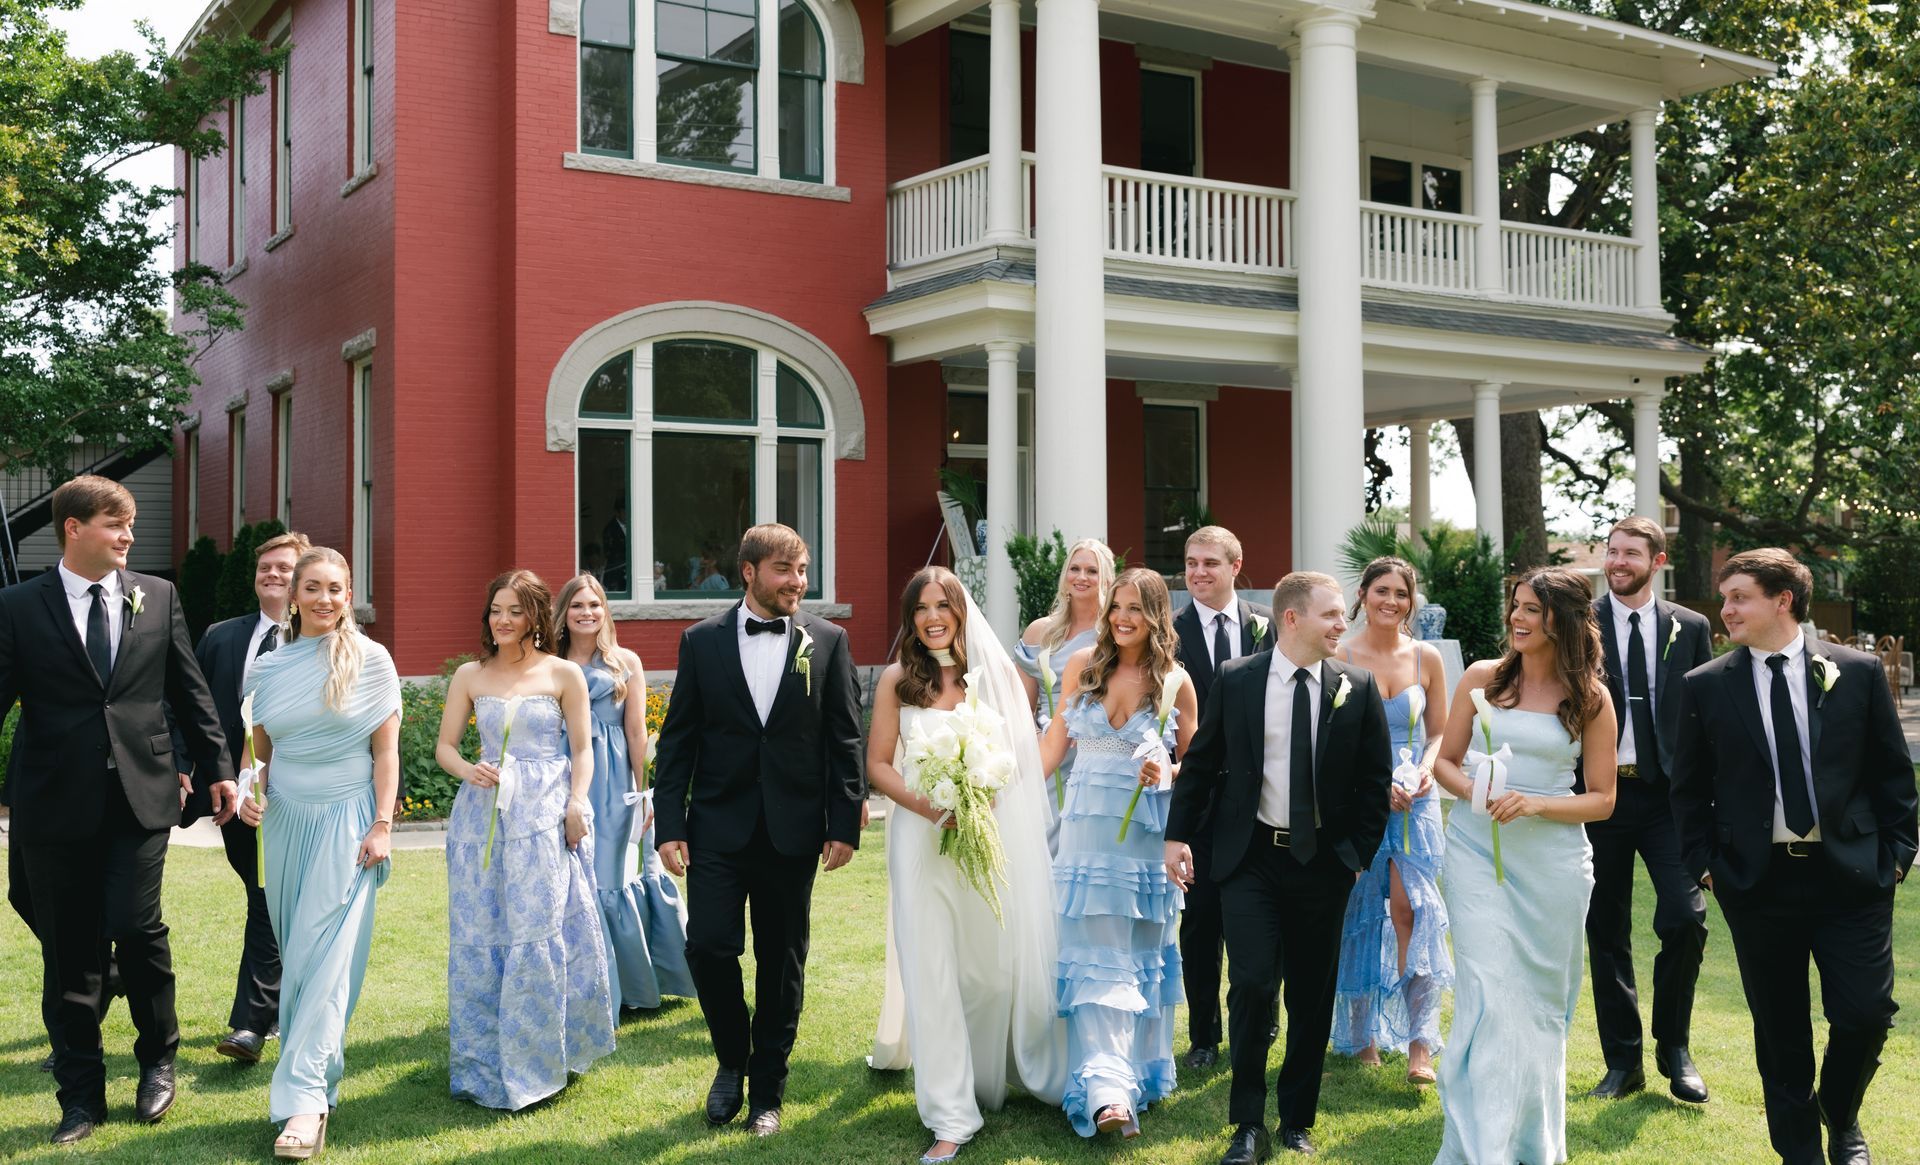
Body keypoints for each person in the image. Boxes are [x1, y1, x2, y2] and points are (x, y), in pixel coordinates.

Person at [0, 475, 234, 1145]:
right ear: (73, 528)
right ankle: (80, 1097)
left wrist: (217, 767)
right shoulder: (16, 606)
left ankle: (158, 1060)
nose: (129, 534)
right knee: (68, 951)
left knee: (135, 926)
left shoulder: (155, 594)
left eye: (130, 523)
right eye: (115, 523)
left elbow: (188, 687)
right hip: (52, 800)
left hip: (142, 792)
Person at [1671, 549, 1915, 1165]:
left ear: (1783, 600)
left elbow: (1893, 773)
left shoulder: (1855, 672)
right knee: (1780, 1031)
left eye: (1739, 597)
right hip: (1757, 883)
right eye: (1724, 598)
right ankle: (1800, 1151)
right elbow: (1688, 789)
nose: (1725, 610)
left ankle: (1840, 1112)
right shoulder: (1705, 685)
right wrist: (1707, 865)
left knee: (1865, 1013)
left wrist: (1897, 856)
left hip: (1854, 876)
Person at [1166, 571, 1391, 1163]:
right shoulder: (1236, 680)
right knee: (1252, 984)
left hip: (1323, 865)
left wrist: (1355, 858)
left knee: (1311, 995)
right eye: (1333, 615)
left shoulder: (1357, 687)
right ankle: (1247, 1124)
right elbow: (1203, 761)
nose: (1344, 624)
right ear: (1292, 618)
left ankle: (1296, 1118)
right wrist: (1176, 837)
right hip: (1250, 860)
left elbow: (1374, 781)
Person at [653, 523, 865, 1138]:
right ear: (749, 573)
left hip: (793, 830)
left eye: (802, 571)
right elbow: (680, 741)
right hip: (718, 825)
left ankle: (767, 1091)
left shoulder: (827, 641)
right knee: (710, 948)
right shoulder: (701, 641)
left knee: (781, 960)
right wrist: (670, 824)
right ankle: (731, 1061)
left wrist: (843, 820)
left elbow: (844, 739)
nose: (798, 583)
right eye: (785, 571)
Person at [865, 567, 1067, 1163]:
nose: (932, 617)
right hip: (919, 841)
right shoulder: (898, 681)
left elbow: (1019, 757)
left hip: (985, 836)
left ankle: (992, 1073)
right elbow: (879, 764)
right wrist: (927, 807)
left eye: (943, 606)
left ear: (961, 611)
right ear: (910, 616)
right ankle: (951, 1114)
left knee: (987, 971)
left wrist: (985, 793)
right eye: (921, 607)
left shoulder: (995, 676)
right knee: (930, 971)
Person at [1428, 568, 1617, 1165]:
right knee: (1489, 993)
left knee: (1538, 1005)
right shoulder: (1484, 678)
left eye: (1532, 609)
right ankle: (1481, 1148)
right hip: (1476, 853)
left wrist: (1536, 803)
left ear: (1561, 618)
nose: (1518, 617)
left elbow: (1604, 798)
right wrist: (1477, 791)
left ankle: (1531, 1145)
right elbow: (1445, 762)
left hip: (1554, 865)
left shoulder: (1590, 696)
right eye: (1516, 605)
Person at [233, 546, 400, 1159]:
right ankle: (318, 1080)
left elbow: (385, 754)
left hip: (347, 822)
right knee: (299, 963)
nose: (326, 599)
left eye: (337, 588)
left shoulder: (372, 661)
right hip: (284, 828)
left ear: (348, 594)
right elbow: (261, 755)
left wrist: (382, 824)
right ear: (294, 595)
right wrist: (254, 794)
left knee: (327, 959)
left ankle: (302, 1103)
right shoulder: (268, 669)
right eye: (314, 588)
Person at [436, 569, 613, 1110]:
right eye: (496, 610)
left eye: (515, 610)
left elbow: (582, 750)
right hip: (481, 822)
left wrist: (576, 803)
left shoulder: (563, 674)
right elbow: (445, 746)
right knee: (482, 932)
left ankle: (539, 1060)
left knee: (539, 930)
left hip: (543, 815)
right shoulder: (470, 674)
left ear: (536, 615)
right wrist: (470, 770)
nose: (503, 620)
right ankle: (481, 1062)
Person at [1039, 566, 1198, 1140]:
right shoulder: (1083, 666)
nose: (1123, 618)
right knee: (1091, 950)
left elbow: (1197, 764)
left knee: (1135, 954)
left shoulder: (1175, 683)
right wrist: (997, 795)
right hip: (1085, 834)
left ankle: (1132, 1076)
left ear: (1156, 616)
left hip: (1142, 837)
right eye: (1116, 608)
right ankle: (1106, 1090)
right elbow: (1054, 747)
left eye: (1136, 608)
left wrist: (1166, 768)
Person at [1582, 517, 1714, 1103]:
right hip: (1599, 796)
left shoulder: (1690, 627)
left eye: (1631, 554)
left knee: (1685, 919)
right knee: (1605, 930)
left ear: (1657, 561)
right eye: (1612, 552)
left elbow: (1706, 712)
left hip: (1668, 800)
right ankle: (1622, 1062)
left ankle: (1675, 1047)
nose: (1617, 562)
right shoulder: (1577, 621)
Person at [179, 529, 312, 1065]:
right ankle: (276, 1010)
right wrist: (191, 768)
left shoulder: (320, 643)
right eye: (266, 568)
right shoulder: (221, 636)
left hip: (297, 793)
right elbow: (191, 704)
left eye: (285, 568)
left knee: (264, 896)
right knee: (268, 898)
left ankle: (251, 1023)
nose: (273, 576)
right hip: (233, 797)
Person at [1329, 557, 1451, 1085]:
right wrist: (1373, 787)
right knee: (1358, 910)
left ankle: (1420, 1042)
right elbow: (1325, 738)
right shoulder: (1338, 656)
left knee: (1411, 910)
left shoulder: (1427, 658)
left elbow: (1442, 733)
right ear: (1362, 594)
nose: (1392, 601)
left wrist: (1425, 771)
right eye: (1382, 591)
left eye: (1401, 593)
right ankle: (1363, 1035)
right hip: (1358, 798)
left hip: (1415, 800)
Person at [554, 573, 693, 1011]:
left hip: (614, 784)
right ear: (564, 612)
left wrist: (645, 790)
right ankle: (573, 986)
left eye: (595, 605)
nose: (587, 613)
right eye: (577, 605)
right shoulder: (546, 662)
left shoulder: (625, 662)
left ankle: (628, 987)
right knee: (565, 877)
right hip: (562, 775)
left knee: (612, 875)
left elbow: (636, 732)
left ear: (605, 612)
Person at [1168, 526, 1274, 1071]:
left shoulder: (1270, 625)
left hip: (1263, 797)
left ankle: (1260, 1025)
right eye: (1191, 563)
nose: (1198, 572)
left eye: (1210, 562)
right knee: (1201, 920)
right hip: (1199, 797)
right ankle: (1204, 1037)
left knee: (1259, 920)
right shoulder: (1171, 630)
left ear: (1236, 566)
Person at [1014, 538, 1114, 715]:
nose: (1081, 577)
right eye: (1074, 569)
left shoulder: (1113, 632)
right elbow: (1021, 709)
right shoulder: (1038, 632)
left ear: (1107, 580)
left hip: (1095, 737)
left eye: (1092, 571)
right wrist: (1038, 735)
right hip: (1044, 735)